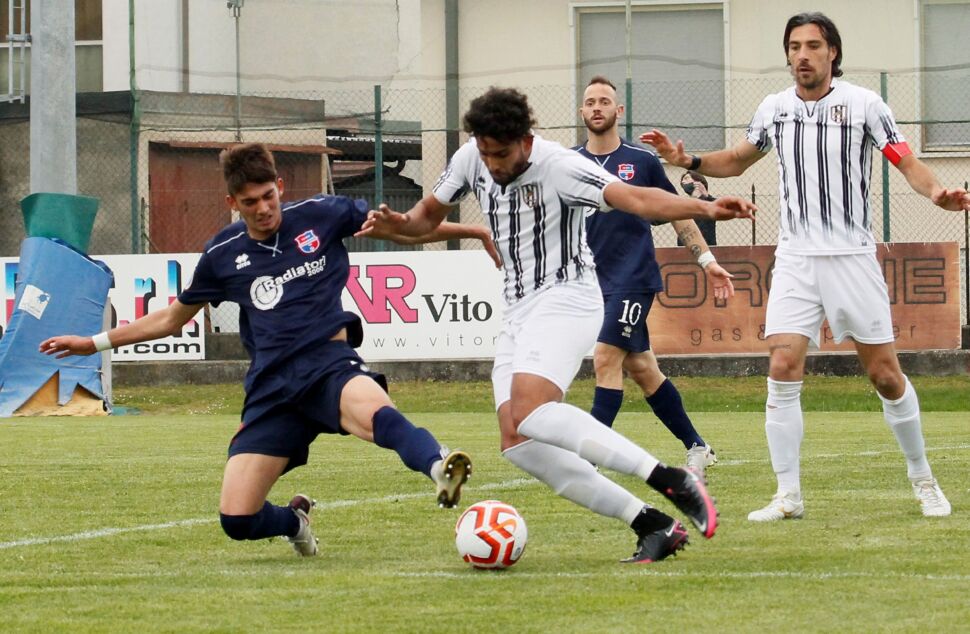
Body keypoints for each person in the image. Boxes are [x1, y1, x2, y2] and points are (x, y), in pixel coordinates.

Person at [358, 87, 756, 563]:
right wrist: (396, 225)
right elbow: (424, 220)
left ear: (526, 140)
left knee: (530, 410)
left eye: (501, 154)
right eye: (486, 152)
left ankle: (668, 477)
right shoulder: (471, 158)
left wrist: (706, 208)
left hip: (568, 296)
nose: (493, 164)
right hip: (520, 309)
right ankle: (650, 523)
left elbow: (638, 199)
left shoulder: (560, 166)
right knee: (517, 441)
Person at [39, 143, 495, 557]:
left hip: (328, 366)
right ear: (232, 204)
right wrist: (93, 343)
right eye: (249, 202)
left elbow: (403, 230)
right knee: (237, 520)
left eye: (268, 197)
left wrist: (473, 230)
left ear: (280, 186)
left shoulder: (323, 213)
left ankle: (439, 466)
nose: (262, 209)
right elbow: (170, 318)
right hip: (272, 390)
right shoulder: (222, 255)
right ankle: (294, 521)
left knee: (377, 412)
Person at [642, 12, 969, 520]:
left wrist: (937, 193)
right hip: (794, 257)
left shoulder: (864, 105)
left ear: (832, 53)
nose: (802, 55)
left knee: (884, 375)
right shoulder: (774, 108)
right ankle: (787, 495)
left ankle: (923, 479)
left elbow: (905, 161)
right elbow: (737, 158)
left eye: (813, 45)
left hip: (853, 258)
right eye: (794, 46)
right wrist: (687, 161)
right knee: (782, 365)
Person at [575, 76, 727, 476]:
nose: (597, 107)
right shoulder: (570, 163)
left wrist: (707, 261)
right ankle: (697, 446)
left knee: (605, 358)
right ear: (581, 111)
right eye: (590, 101)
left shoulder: (640, 162)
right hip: (591, 283)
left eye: (604, 101)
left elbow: (679, 212)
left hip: (634, 278)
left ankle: (589, 458)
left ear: (618, 111)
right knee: (642, 369)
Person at [679, 171, 717, 247]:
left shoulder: (710, 202)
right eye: (682, 180)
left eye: (686, 178)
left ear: (698, 182)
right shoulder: (683, 206)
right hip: (684, 247)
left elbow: (724, 208)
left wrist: (706, 196)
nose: (683, 182)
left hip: (707, 246)